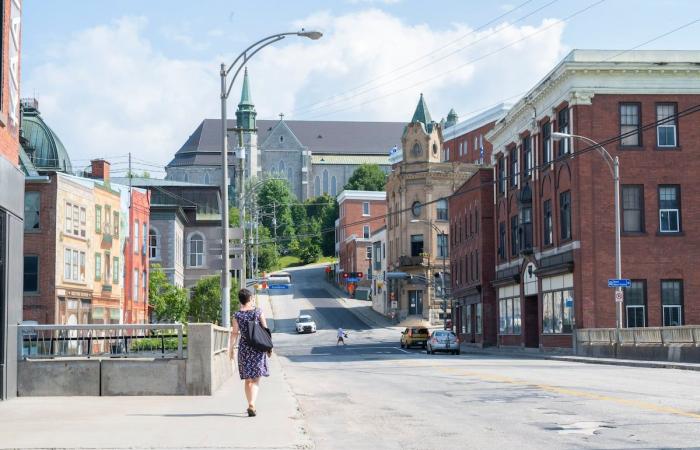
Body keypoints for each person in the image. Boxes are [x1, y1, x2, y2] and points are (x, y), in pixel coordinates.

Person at [232, 288, 270, 417]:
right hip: (258, 348)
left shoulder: (237, 315)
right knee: (256, 379)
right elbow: (265, 330)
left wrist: (231, 349)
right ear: (250, 299)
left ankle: (250, 404)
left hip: (244, 348)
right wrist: (269, 347)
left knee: (248, 380)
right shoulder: (258, 311)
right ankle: (252, 404)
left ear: (241, 300)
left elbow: (234, 333)